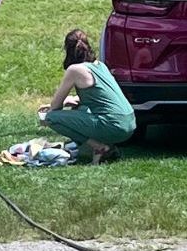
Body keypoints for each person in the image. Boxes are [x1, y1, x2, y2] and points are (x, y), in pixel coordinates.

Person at [38, 29, 136, 164]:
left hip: (113, 125)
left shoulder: (75, 70)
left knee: (51, 118)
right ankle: (106, 148)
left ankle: (99, 147)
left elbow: (55, 106)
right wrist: (71, 101)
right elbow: (101, 96)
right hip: (129, 123)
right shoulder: (100, 65)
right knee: (80, 109)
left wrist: (54, 106)